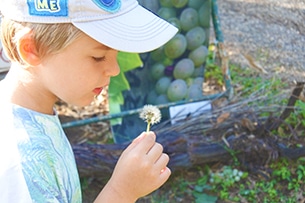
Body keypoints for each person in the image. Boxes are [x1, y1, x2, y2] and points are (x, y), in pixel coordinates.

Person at [0, 0, 178, 202]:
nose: (114, 69)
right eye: (98, 57)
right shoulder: (18, 165)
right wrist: (121, 191)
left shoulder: (35, 116)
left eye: (116, 53)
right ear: (32, 49)